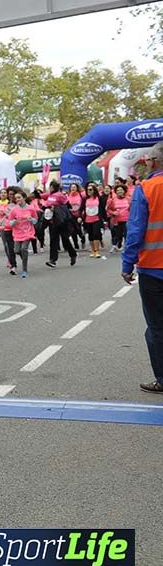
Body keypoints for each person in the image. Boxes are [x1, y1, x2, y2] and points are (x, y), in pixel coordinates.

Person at [121, 145, 163, 393]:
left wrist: (127, 265)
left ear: (155, 162)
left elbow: (135, 231)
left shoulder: (146, 188)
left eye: (147, 160)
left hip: (154, 270)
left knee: (158, 328)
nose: (145, 163)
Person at [43, 180, 77, 268]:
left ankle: (73, 254)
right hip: (52, 221)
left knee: (65, 239)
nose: (49, 188)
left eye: (50, 187)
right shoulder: (49, 196)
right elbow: (46, 205)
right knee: (53, 240)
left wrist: (56, 208)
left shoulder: (60, 195)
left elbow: (68, 206)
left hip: (61, 220)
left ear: (52, 187)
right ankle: (53, 260)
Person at [8, 190, 37, 278]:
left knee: (24, 249)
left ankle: (25, 270)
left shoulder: (31, 208)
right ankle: (24, 257)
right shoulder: (14, 209)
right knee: (17, 251)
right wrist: (14, 222)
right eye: (16, 198)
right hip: (17, 233)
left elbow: (36, 221)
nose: (17, 199)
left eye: (19, 197)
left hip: (28, 232)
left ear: (24, 198)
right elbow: (9, 222)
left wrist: (31, 219)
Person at [82, 182, 107, 259]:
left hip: (96, 219)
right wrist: (80, 217)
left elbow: (102, 209)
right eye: (88, 190)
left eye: (91, 189)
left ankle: (97, 250)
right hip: (87, 219)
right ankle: (92, 250)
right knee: (90, 235)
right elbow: (81, 209)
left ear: (94, 190)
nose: (89, 191)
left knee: (96, 234)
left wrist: (105, 219)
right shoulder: (85, 199)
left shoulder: (99, 198)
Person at [108, 184, 131, 254]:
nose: (119, 191)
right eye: (117, 190)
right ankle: (115, 245)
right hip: (117, 220)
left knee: (127, 234)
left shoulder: (128, 199)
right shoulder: (112, 200)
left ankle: (127, 248)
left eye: (121, 190)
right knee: (118, 234)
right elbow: (108, 209)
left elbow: (133, 208)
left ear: (124, 191)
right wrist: (113, 212)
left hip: (127, 220)